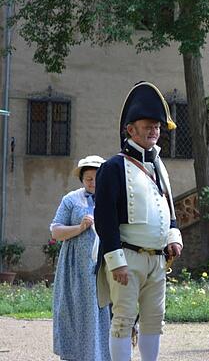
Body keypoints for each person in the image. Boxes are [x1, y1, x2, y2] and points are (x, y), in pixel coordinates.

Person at [94, 81, 183, 361]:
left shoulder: (159, 165)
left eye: (157, 126)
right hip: (127, 258)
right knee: (123, 320)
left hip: (157, 260)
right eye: (148, 126)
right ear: (130, 129)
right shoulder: (112, 168)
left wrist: (173, 236)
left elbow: (167, 206)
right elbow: (104, 218)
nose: (154, 131)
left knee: (155, 320)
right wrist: (115, 260)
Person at [50, 155, 111, 361]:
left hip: (103, 264)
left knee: (102, 308)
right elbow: (56, 232)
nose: (93, 183)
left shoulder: (112, 198)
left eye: (96, 178)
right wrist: (80, 227)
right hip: (76, 265)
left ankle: (101, 355)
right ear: (82, 180)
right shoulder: (71, 200)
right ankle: (77, 356)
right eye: (88, 179)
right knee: (75, 309)